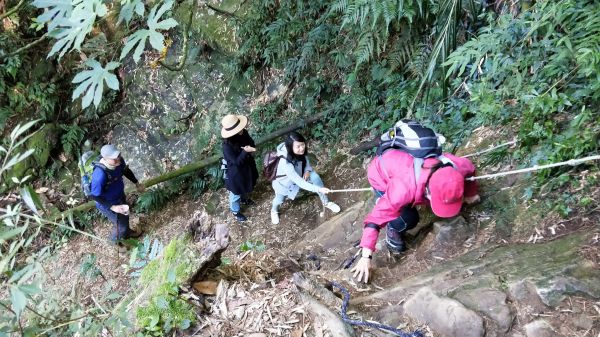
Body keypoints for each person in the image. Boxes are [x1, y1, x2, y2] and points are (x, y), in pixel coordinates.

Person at [352, 149, 480, 283]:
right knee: (409, 219)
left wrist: (471, 192)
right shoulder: (402, 190)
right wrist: (366, 257)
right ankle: (393, 227)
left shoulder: (456, 168)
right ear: (428, 192)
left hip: (403, 163)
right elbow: (374, 220)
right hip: (381, 172)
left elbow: (470, 168)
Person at [270, 132, 341, 225]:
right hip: (284, 184)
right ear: (290, 147)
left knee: (315, 177)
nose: (302, 148)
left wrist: (307, 170)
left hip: (301, 174)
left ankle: (326, 202)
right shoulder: (285, 162)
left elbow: (305, 159)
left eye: (302, 144)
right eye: (298, 147)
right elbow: (300, 182)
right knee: (279, 200)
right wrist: (319, 189)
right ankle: (273, 210)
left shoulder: (299, 151)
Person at [89, 144, 145, 245]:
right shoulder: (99, 175)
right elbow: (94, 195)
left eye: (118, 156)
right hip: (108, 203)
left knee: (125, 216)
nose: (118, 159)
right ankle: (116, 245)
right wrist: (113, 207)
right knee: (120, 225)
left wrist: (137, 183)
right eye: (114, 158)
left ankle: (127, 234)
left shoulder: (119, 161)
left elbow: (126, 171)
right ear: (105, 159)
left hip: (119, 196)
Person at [221, 114, 259, 222]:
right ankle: (235, 211)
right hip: (236, 173)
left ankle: (244, 199)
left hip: (247, 167)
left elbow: (251, 142)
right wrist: (245, 152)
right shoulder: (227, 146)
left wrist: (251, 147)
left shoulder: (244, 133)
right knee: (235, 193)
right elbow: (236, 162)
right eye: (239, 129)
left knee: (246, 184)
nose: (242, 130)